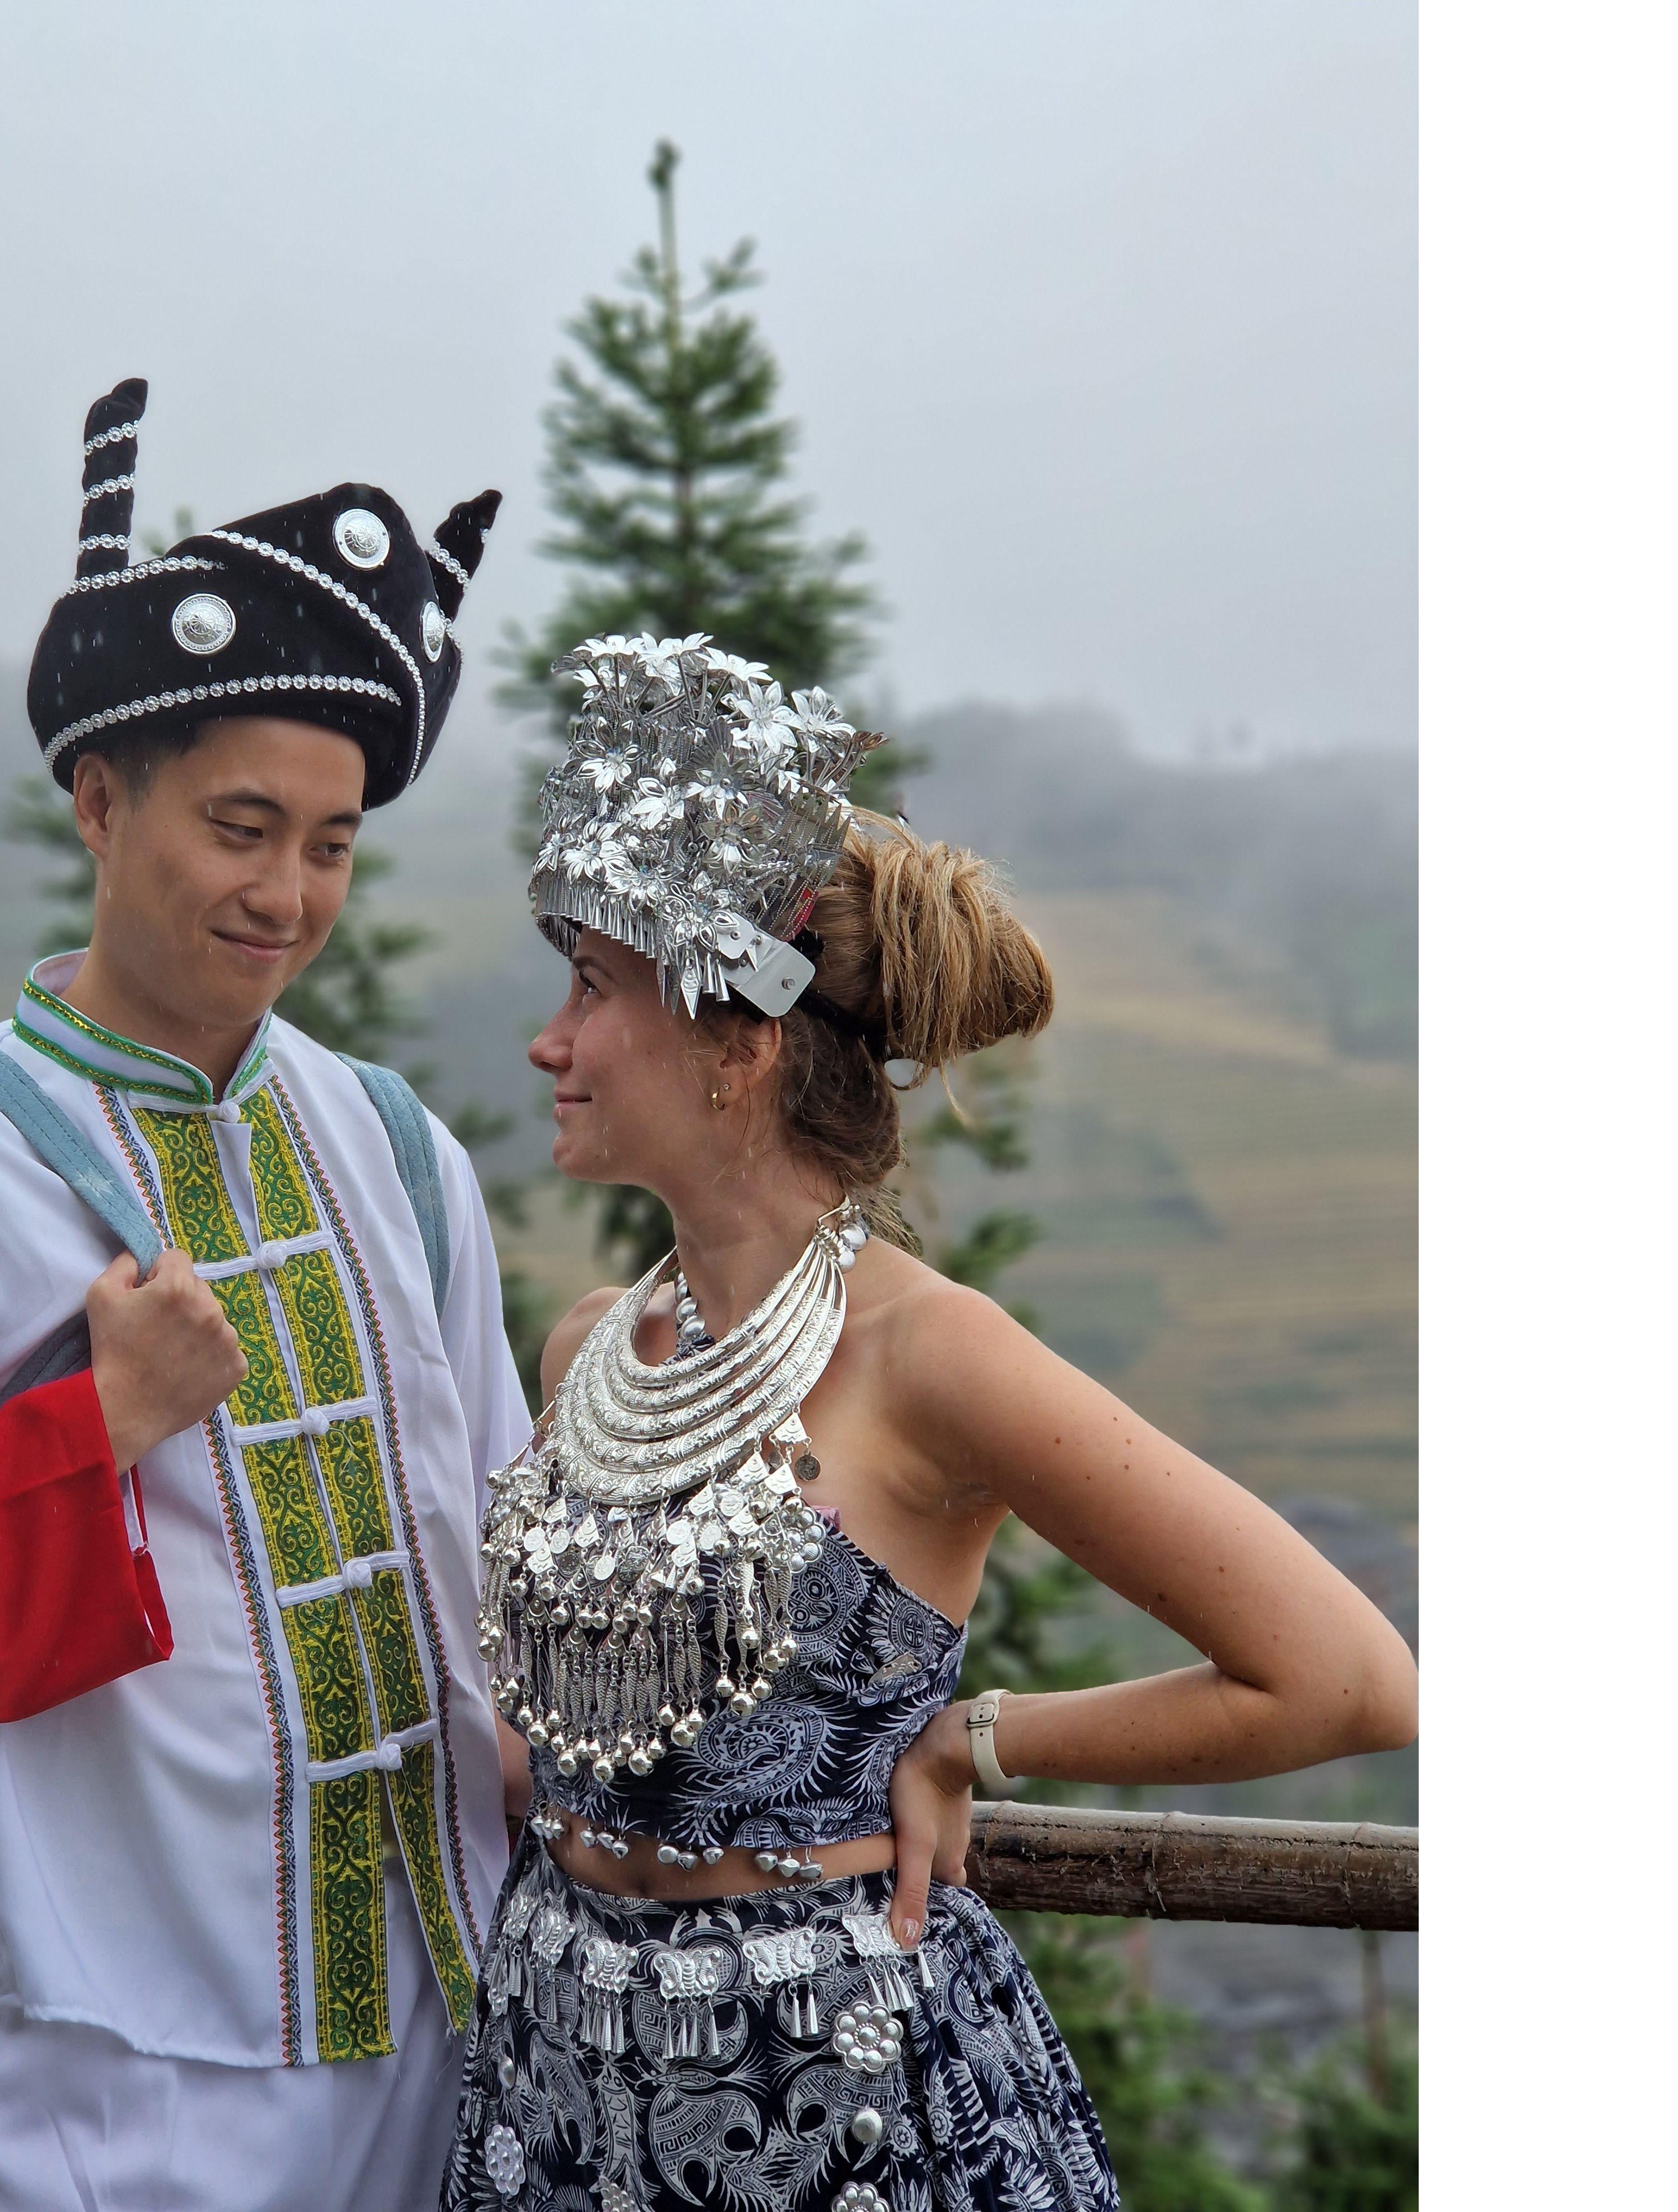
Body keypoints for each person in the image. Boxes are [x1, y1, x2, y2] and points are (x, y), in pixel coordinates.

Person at [442, 633, 1420, 2212]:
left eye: (595, 987)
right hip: (554, 2095)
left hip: (840, 2108)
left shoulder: (933, 1357)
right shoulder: (591, 1348)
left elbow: (1349, 1676)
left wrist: (980, 1740)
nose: (550, 1042)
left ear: (738, 1045)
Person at [0, 378, 531, 2211]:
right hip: (101, 2060)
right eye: (242, 825)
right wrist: (91, 1433)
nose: (287, 893)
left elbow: (496, 1537)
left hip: (435, 2012)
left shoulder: (399, 1148)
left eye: (332, 844)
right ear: (102, 803)